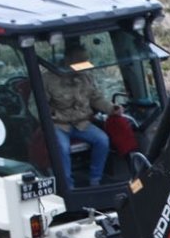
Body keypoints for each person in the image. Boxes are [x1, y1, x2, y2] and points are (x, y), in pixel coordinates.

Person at [42, 43, 123, 188]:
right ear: (68, 60)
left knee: (102, 140)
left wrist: (111, 108)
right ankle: (68, 187)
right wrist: (47, 115)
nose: (83, 67)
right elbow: (36, 104)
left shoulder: (86, 77)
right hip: (59, 125)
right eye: (79, 62)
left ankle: (95, 180)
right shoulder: (48, 79)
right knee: (62, 148)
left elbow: (96, 98)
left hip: (82, 123)